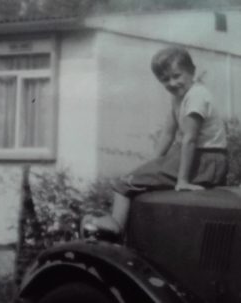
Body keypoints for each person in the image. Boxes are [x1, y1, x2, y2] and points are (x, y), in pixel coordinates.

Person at [83, 46, 228, 240]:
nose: (172, 83)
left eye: (177, 75)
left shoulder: (197, 96)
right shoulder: (179, 97)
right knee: (140, 177)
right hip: (198, 157)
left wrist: (182, 181)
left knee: (124, 183)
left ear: (192, 71)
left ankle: (116, 229)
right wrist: (152, 165)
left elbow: (190, 138)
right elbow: (168, 133)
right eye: (165, 79)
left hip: (203, 159)